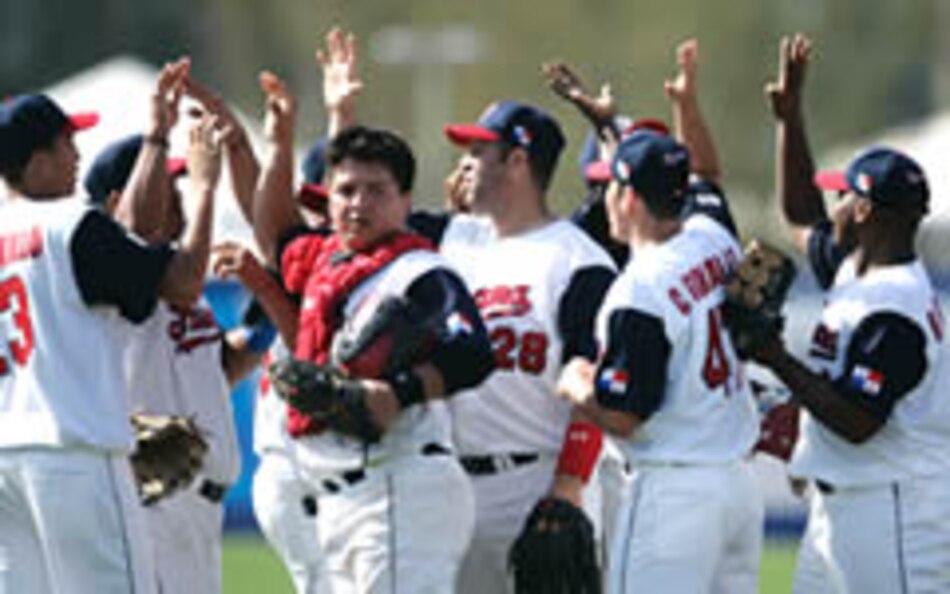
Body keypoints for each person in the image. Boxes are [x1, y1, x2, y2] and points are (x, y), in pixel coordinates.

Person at [251, 69, 495, 593]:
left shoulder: (418, 272)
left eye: (376, 191)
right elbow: (276, 235)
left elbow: (474, 352)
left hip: (401, 483)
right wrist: (280, 140)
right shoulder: (328, 261)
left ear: (406, 201)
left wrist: (400, 391)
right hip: (345, 495)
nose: (358, 203)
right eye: (346, 190)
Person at [0, 59, 220, 594]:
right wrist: (208, 185)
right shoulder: (71, 225)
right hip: (75, 454)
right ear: (37, 161)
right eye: (65, 143)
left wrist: (154, 135)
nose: (77, 155)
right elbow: (183, 284)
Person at [760, 33, 950, 593]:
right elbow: (799, 212)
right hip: (840, 509)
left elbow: (859, 421)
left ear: (864, 210)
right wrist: (789, 120)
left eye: (842, 196)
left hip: (894, 514)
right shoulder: (856, 269)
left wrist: (774, 357)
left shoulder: (897, 307)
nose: (833, 205)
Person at [557, 129, 763, 593]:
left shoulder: (640, 289)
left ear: (627, 197)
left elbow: (624, 416)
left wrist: (575, 382)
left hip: (673, 493)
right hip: (738, 487)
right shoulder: (715, 239)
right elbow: (710, 179)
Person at [426, 99, 617, 594]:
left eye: (479, 150)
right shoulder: (450, 237)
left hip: (534, 481)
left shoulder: (577, 262)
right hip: (450, 485)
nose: (465, 161)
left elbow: (589, 382)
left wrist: (570, 482)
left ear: (518, 161)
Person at [83, 122, 262, 594]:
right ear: (120, 199)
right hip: (154, 503)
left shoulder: (177, 281)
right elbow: (165, 264)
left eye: (182, 184)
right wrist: (207, 190)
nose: (180, 194)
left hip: (196, 511)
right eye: (168, 185)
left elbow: (217, 369)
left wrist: (268, 324)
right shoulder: (124, 281)